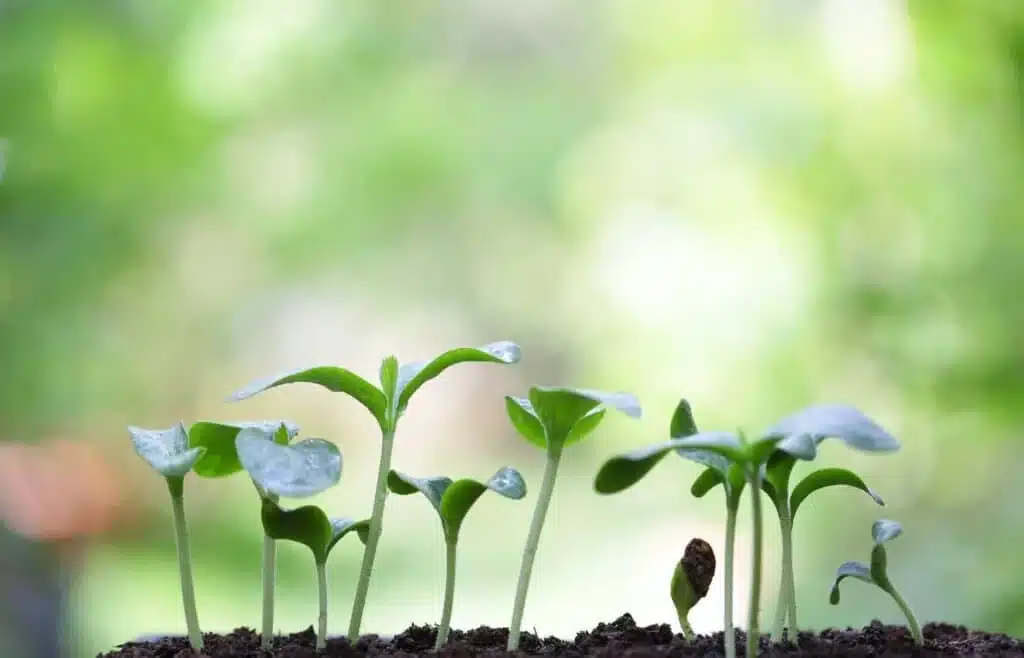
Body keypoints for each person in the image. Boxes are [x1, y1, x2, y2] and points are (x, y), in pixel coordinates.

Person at [0, 439, 125, 658]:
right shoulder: (14, 469)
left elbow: (54, 525)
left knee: (50, 635)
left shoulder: (30, 473)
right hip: (30, 583)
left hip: (49, 581)